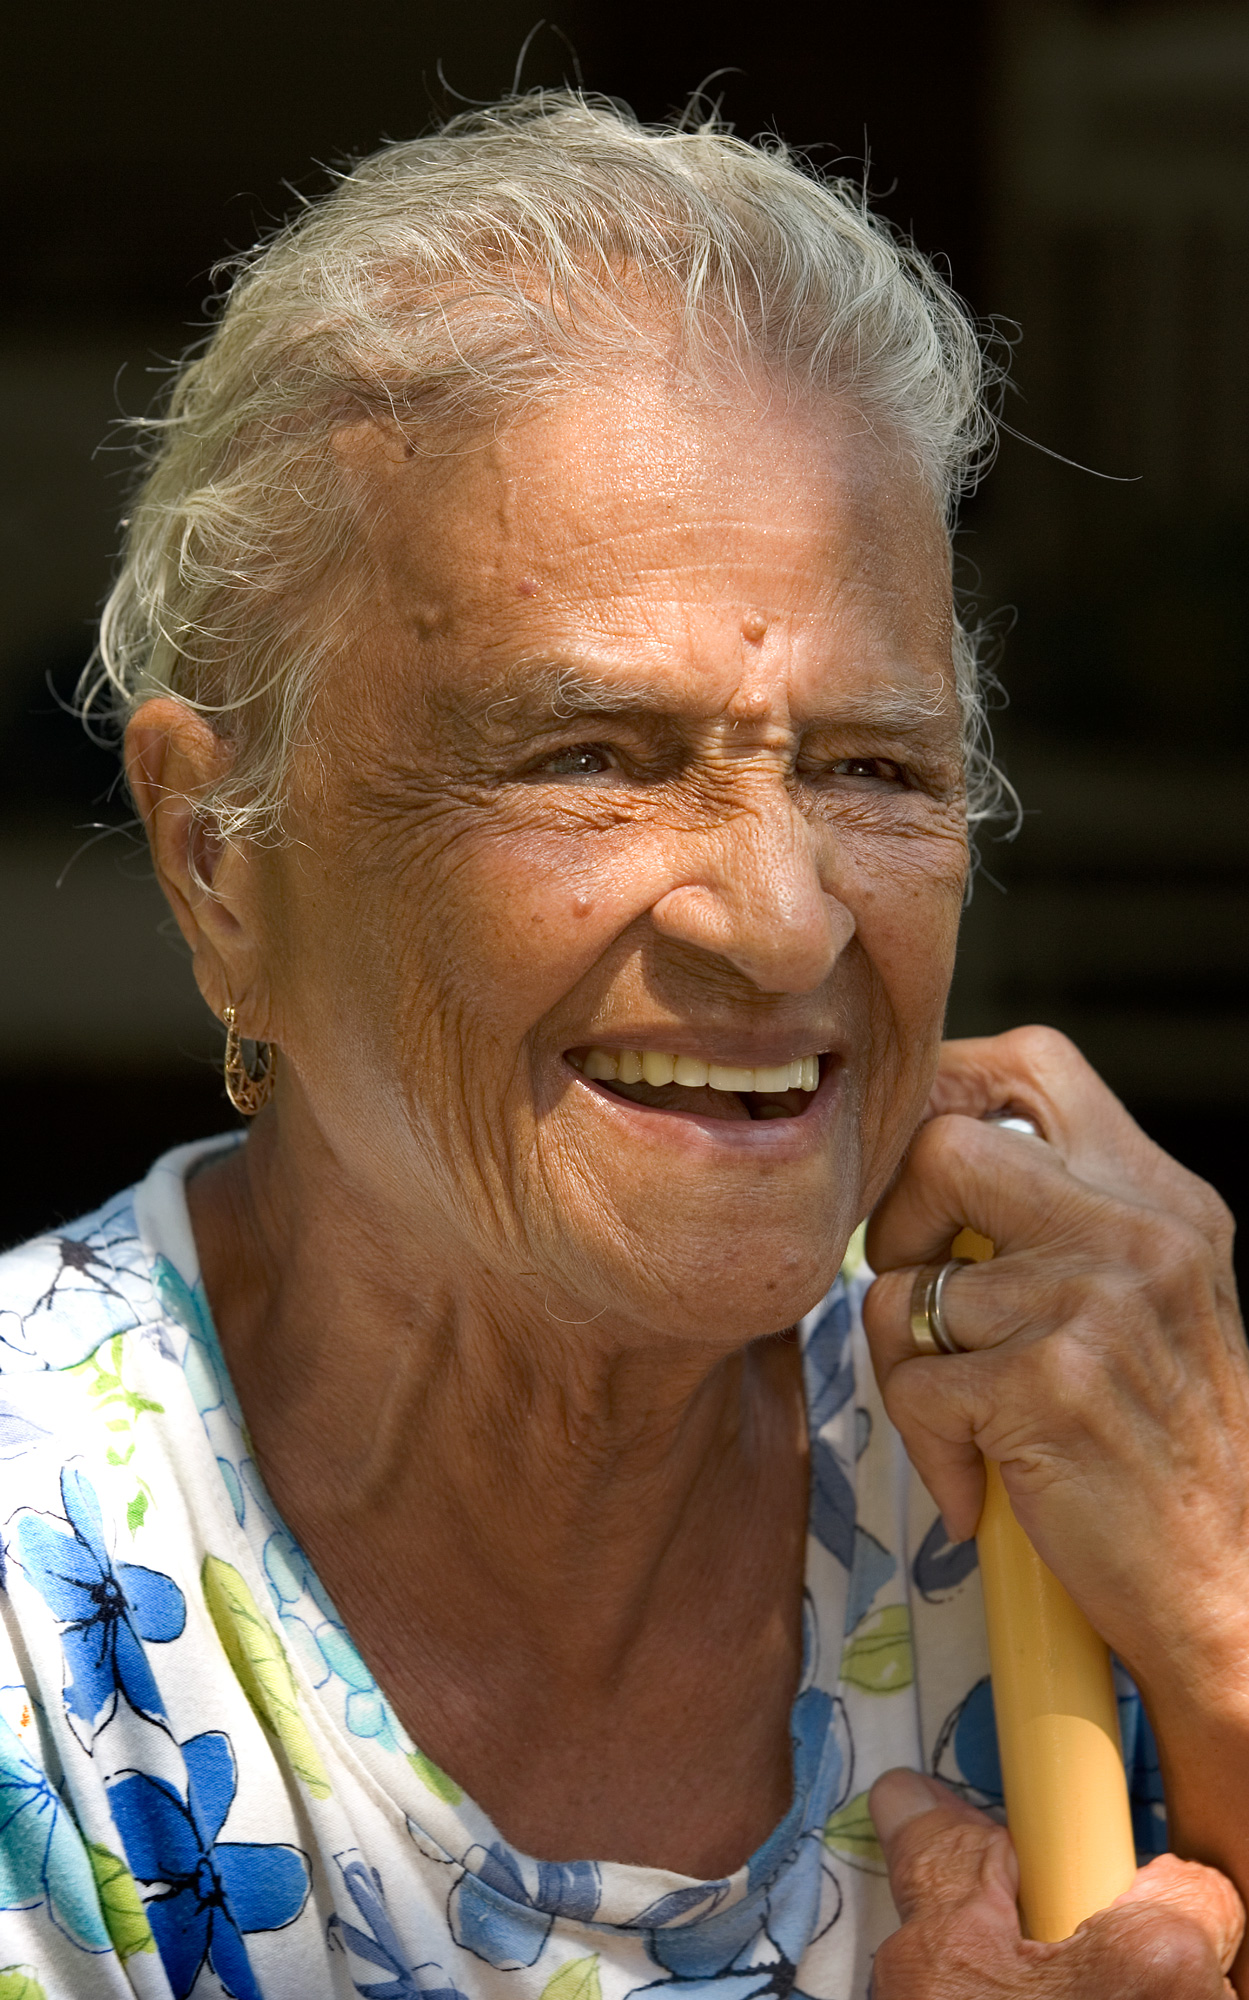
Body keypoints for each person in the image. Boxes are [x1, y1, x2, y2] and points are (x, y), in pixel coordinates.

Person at [0, 91, 1245, 2000]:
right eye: (590, 759)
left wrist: (1222, 1630)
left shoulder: (1072, 1462)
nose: (783, 919)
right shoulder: (38, 1591)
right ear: (217, 861)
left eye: (874, 769)